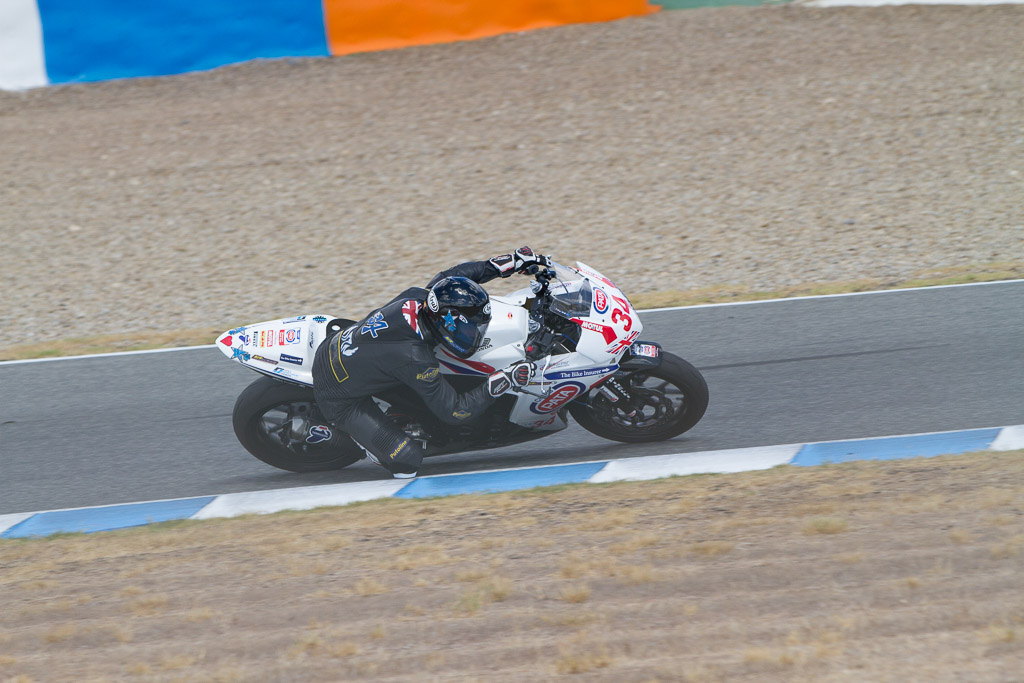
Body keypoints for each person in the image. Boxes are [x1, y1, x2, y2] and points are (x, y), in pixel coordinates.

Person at [312, 247, 550, 479]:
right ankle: (347, 438)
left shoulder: (421, 297)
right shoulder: (415, 358)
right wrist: (506, 378)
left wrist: (501, 265)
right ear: (445, 325)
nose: (474, 334)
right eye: (468, 329)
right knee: (407, 462)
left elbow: (453, 277)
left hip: (343, 346)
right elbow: (456, 412)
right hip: (339, 396)